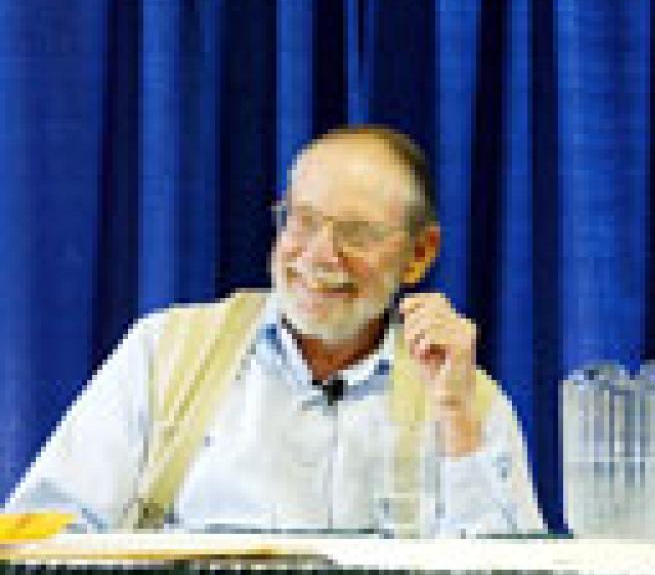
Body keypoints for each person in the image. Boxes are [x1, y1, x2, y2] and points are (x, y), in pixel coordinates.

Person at [5, 126, 545, 535]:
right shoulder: (163, 352)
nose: (317, 256)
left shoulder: (468, 400)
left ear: (419, 254)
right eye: (302, 221)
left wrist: (455, 420)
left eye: (355, 234)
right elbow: (44, 542)